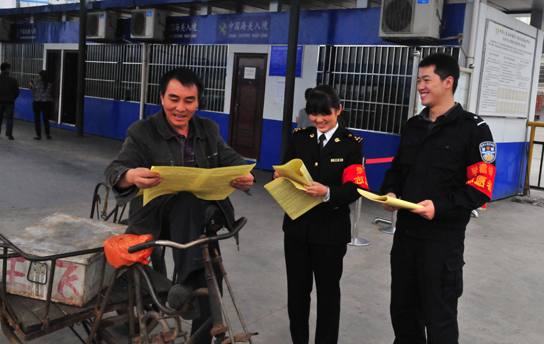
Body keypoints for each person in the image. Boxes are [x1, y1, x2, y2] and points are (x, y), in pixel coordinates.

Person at [104, 67, 254, 343]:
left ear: (198, 102)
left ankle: (196, 313)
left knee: (211, 270)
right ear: (161, 97)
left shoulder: (208, 129)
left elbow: (232, 159)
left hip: (200, 221)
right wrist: (131, 175)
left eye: (188, 101)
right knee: (187, 204)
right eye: (174, 99)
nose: (180, 108)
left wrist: (244, 175)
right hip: (157, 220)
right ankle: (187, 284)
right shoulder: (142, 131)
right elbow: (115, 169)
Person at [380, 53, 496, 344]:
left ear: (448, 82)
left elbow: (480, 187)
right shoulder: (413, 125)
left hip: (441, 245)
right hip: (405, 238)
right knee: (403, 314)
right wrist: (390, 191)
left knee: (439, 320)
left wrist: (440, 207)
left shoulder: (474, 130)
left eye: (426, 80)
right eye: (418, 80)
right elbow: (397, 169)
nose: (420, 86)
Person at [276, 84, 369, 344]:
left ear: (338, 110)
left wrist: (327, 191)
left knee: (328, 296)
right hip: (296, 230)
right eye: (313, 114)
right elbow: (286, 168)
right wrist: (280, 177)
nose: (319, 120)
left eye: (325, 114)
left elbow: (356, 189)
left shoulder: (351, 145)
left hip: (330, 232)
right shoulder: (300, 138)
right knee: (297, 293)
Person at [29, 70, 54, 140]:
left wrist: (31, 85)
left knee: (37, 119)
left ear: (40, 76)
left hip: (37, 102)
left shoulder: (36, 84)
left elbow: (33, 92)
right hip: (47, 103)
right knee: (46, 119)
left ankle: (38, 135)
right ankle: (47, 134)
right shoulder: (49, 84)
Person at [0, 62, 20, 140]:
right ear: (7, 69)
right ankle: (9, 134)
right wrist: (12, 98)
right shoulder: (13, 80)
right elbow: (17, 92)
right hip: (9, 102)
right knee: (9, 118)